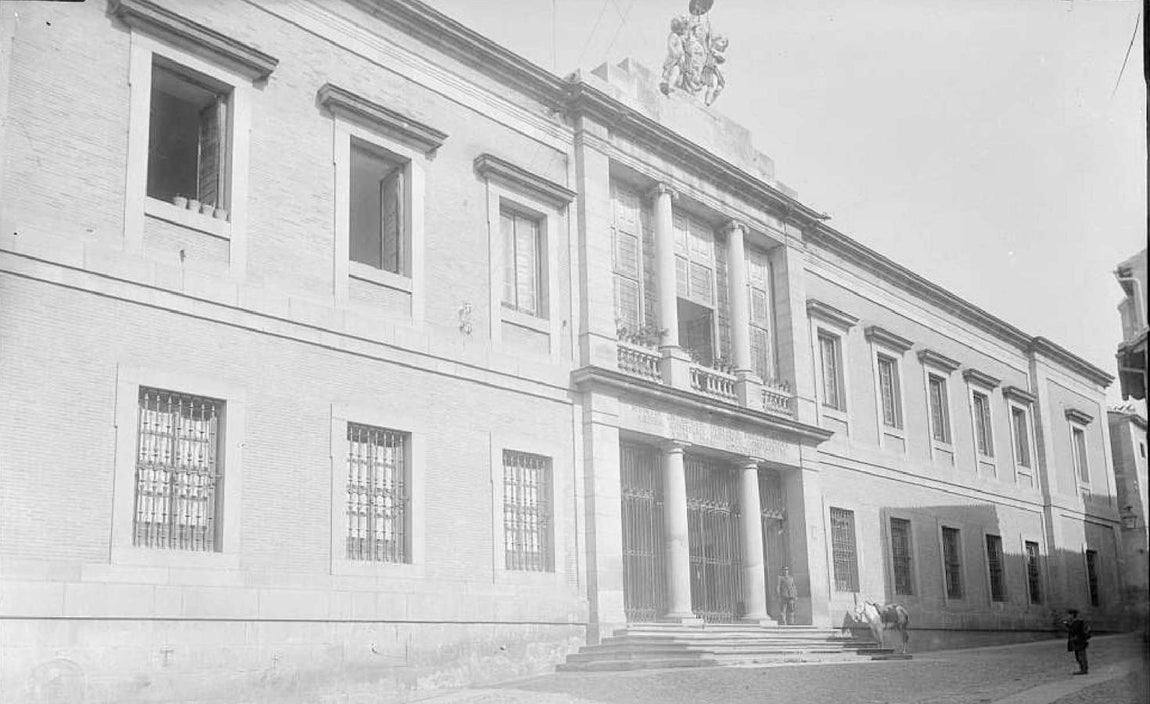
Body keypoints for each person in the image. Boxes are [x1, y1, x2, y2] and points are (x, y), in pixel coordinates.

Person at [1062, 608, 1091, 675]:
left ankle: (1083, 669)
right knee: (1079, 655)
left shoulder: (1078, 622)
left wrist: (1067, 625)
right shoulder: (1077, 622)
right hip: (1078, 641)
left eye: (1069, 615)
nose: (1069, 616)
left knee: (1080, 656)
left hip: (1079, 641)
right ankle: (1083, 669)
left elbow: (1073, 631)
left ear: (1072, 615)